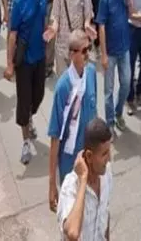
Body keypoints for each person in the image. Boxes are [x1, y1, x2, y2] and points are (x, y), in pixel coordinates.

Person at [48, 29, 100, 208]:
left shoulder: (91, 73)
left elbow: (95, 114)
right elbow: (55, 136)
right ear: (71, 54)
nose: (88, 54)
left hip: (90, 160)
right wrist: (51, 185)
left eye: (89, 48)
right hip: (70, 165)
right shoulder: (63, 87)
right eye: (84, 51)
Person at [5, 0, 51, 165]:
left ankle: (29, 118)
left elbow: (45, 20)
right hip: (24, 61)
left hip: (40, 57)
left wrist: (48, 32)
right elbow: (13, 34)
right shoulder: (19, 1)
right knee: (24, 102)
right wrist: (9, 64)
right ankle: (25, 141)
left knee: (38, 95)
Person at [57, 118, 114, 241]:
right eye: (104, 154)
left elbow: (105, 213)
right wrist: (83, 179)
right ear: (89, 156)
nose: (109, 158)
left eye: (109, 151)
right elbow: (72, 233)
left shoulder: (106, 173)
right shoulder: (71, 186)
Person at [95, 0, 132, 131]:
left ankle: (118, 113)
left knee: (126, 83)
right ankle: (109, 121)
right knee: (108, 90)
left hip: (124, 48)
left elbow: (130, 14)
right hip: (110, 51)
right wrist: (103, 54)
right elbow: (101, 26)